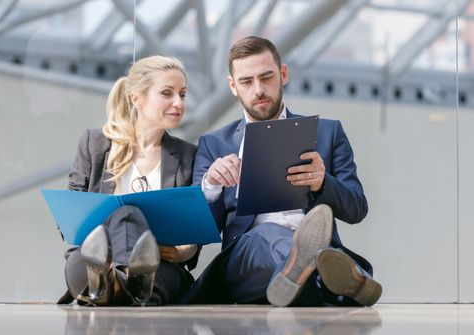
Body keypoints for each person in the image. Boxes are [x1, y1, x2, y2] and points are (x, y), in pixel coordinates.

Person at [178, 36, 382, 307]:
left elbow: (357, 208)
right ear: (232, 87)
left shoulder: (328, 133)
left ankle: (311, 278)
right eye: (246, 82)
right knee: (268, 234)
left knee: (298, 282)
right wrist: (211, 186)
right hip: (246, 259)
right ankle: (330, 277)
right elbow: (202, 230)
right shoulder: (214, 144)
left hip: (288, 273)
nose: (258, 89)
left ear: (283, 74)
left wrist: (322, 183)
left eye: (266, 77)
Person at [58, 55, 199, 306]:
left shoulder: (188, 155)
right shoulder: (95, 144)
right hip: (94, 260)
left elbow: (193, 231)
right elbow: (69, 218)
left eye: (183, 94)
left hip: (160, 264)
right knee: (125, 215)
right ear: (137, 98)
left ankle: (112, 286)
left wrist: (183, 251)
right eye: (167, 93)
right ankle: (129, 284)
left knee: (131, 223)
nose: (178, 102)